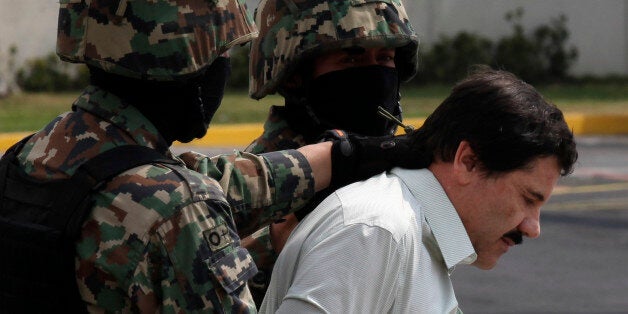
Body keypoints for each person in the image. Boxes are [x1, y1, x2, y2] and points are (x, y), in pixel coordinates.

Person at [0, 0, 423, 312]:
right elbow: (179, 203)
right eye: (220, 52)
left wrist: (341, 157)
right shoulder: (177, 210)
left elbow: (208, 180)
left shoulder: (32, 157)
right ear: (186, 60)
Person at [259, 67, 579, 313]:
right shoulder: (374, 231)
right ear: (467, 162)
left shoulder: (410, 234)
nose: (533, 228)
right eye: (527, 198)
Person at [241, 0, 420, 304]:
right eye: (351, 60)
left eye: (385, 57)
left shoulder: (402, 161)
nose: (374, 74)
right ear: (296, 75)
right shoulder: (252, 181)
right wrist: (277, 242)